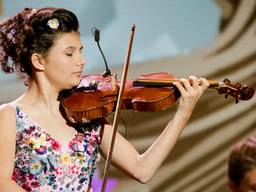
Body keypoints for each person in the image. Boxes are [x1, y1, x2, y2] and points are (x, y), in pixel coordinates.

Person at [0, 7, 209, 192]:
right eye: (69, 54)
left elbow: (142, 169)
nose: (81, 62)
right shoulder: (11, 116)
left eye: (81, 52)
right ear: (38, 60)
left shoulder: (86, 118)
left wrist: (183, 113)